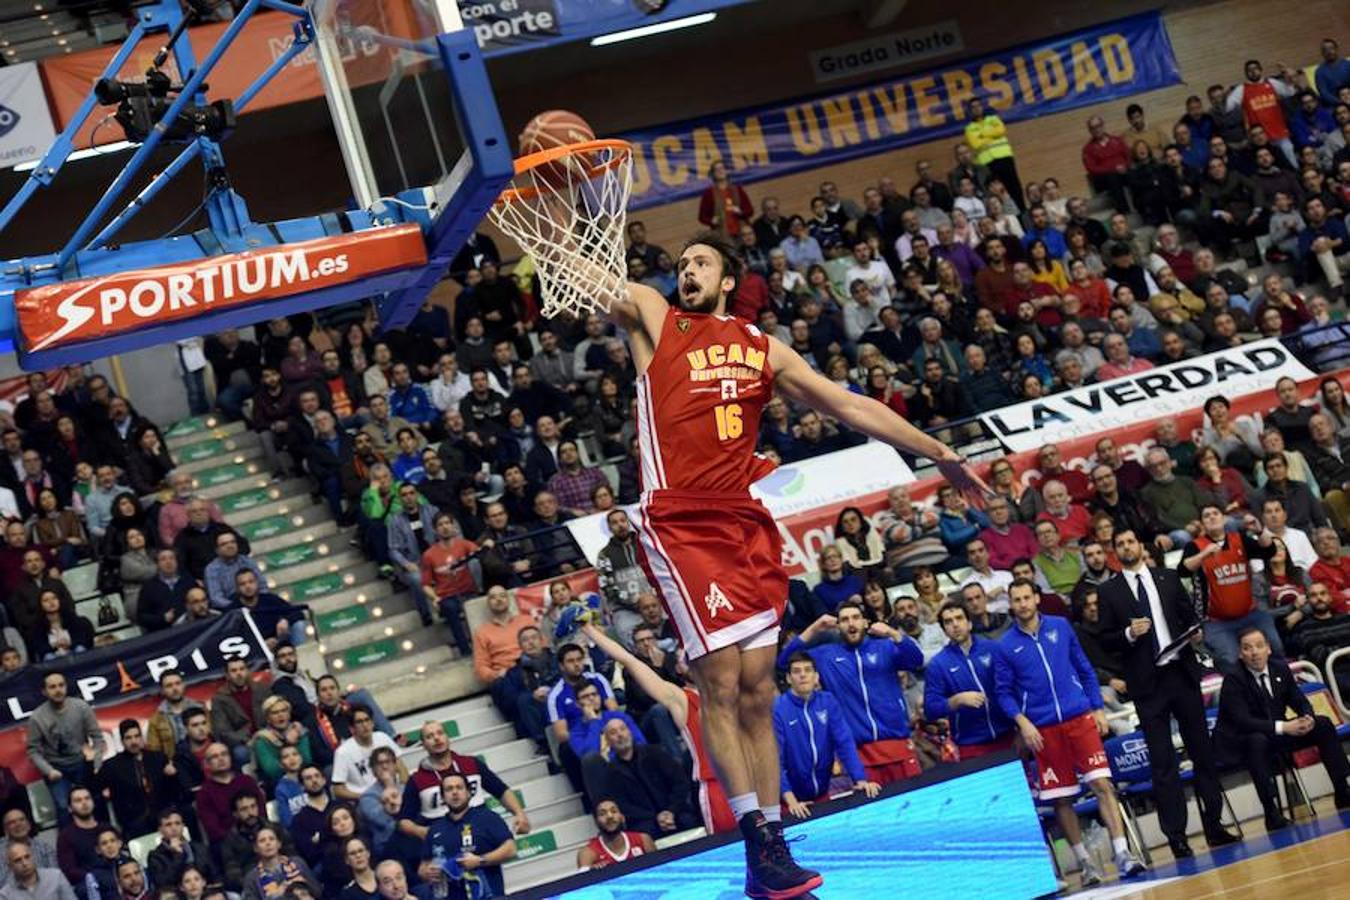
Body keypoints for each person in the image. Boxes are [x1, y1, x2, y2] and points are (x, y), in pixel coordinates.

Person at [1096, 530, 1240, 857]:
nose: (1126, 546)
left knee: (1202, 751)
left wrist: (1196, 632)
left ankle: (1214, 826)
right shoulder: (1109, 591)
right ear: (1114, 552)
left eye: (1131, 541)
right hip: (1148, 684)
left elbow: (1189, 617)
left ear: (1141, 546)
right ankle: (1176, 836)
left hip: (1181, 674)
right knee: (1163, 763)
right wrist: (1129, 633)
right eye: (1120, 544)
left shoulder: (1168, 577)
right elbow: (1105, 639)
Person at [993, 579, 1145, 886]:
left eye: (1026, 597)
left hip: (1079, 719)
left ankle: (1122, 854)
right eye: (1016, 599)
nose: (1022, 604)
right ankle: (1086, 863)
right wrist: (1023, 722)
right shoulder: (1005, 646)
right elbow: (1003, 693)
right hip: (1043, 730)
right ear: (1011, 605)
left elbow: (1085, 669)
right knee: (1062, 799)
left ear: (1036, 599)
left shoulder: (1061, 627)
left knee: (1103, 784)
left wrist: (1097, 708)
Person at [1215, 626, 1350, 828]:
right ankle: (1271, 811)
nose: (1254, 652)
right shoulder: (1233, 679)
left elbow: (1299, 700)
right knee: (1256, 741)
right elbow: (1243, 721)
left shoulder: (1280, 668)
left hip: (1277, 732)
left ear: (1268, 649)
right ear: (1240, 654)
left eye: (1259, 646)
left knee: (1323, 724)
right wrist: (1284, 727)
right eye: (1248, 648)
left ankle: (1342, 790)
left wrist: (1307, 717)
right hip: (1244, 740)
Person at [779, 602, 925, 785]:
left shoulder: (885, 647)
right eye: (845, 620)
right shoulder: (826, 655)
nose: (851, 623)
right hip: (859, 755)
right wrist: (815, 628)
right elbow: (785, 663)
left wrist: (893, 633)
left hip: (898, 744)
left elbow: (916, 660)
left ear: (865, 622)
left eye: (856, 618)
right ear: (837, 626)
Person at [774, 652, 877, 819]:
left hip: (822, 794)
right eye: (796, 671)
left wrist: (860, 780)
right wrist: (790, 800)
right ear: (788, 678)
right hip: (788, 802)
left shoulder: (827, 702)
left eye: (808, 670)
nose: (802, 675)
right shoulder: (778, 709)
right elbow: (775, 761)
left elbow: (844, 742)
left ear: (816, 677)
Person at [923, 599, 1015, 759]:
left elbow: (1015, 686)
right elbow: (930, 709)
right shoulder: (938, 664)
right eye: (948, 622)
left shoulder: (993, 648)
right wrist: (956, 700)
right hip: (972, 745)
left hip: (1009, 734)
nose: (955, 625)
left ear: (970, 623)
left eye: (959, 618)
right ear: (944, 630)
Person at [25, 673, 103, 827]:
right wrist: (48, 770)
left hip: (82, 763)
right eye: (52, 687)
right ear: (44, 691)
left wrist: (96, 760)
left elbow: (97, 737)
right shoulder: (37, 718)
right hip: (56, 770)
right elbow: (33, 750)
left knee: (92, 802)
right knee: (63, 807)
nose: (58, 690)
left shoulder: (81, 707)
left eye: (61, 685)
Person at [575, 800, 654, 871]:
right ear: (596, 822)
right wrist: (592, 872)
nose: (610, 816)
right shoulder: (587, 853)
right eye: (602, 814)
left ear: (622, 817)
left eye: (614, 811)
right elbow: (586, 883)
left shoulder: (643, 839)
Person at [0, 840, 76, 900]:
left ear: (33, 857)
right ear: (10, 867)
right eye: (17, 860)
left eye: (27, 857)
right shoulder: (5, 895)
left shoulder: (56, 877)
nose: (24, 863)